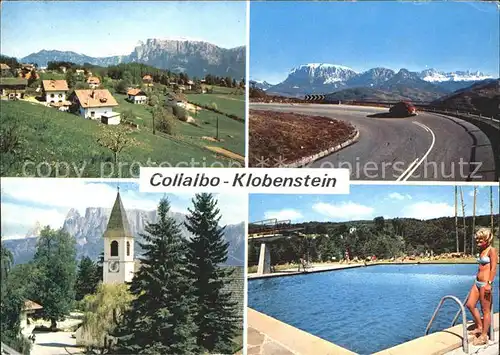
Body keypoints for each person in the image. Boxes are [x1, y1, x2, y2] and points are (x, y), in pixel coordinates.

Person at [466, 228, 498, 346]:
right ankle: (480, 326)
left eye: (480, 239)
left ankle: (484, 336)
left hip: (485, 284)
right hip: (477, 282)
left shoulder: (492, 250)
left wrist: (489, 283)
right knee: (470, 304)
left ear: (487, 239)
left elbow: (493, 268)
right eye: (477, 239)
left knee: (486, 310)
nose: (478, 241)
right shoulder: (482, 250)